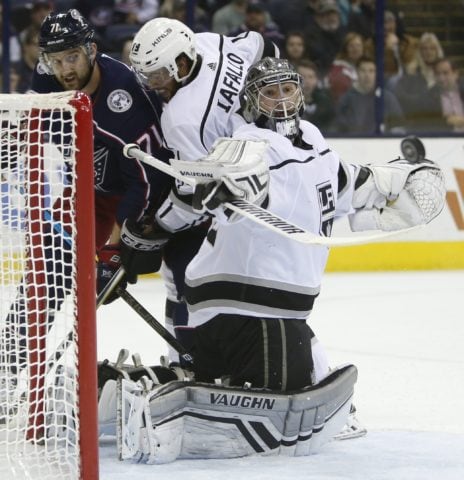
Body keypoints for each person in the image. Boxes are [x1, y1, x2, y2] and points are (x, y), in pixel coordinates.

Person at [115, 57, 445, 463]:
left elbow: (345, 184)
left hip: (254, 309)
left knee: (220, 374)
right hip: (251, 308)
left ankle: (130, 386)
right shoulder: (251, 141)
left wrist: (394, 182)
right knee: (281, 391)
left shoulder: (312, 139)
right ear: (253, 101)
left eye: (287, 89)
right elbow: (229, 171)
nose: (282, 100)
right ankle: (166, 408)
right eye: (270, 93)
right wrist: (225, 187)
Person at [0, 9, 172, 408]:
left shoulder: (123, 100)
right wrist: (13, 145)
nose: (64, 68)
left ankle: (192, 360)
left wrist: (114, 248)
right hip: (87, 193)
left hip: (143, 197)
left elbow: (145, 183)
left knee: (182, 274)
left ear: (92, 50)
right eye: (55, 59)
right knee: (44, 279)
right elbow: (36, 122)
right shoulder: (48, 77)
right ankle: (7, 372)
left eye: (72, 57)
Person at [124, 16, 281, 364]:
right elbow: (265, 46)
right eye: (146, 76)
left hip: (241, 197)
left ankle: (189, 362)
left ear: (181, 63)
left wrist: (159, 225)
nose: (153, 85)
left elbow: (192, 196)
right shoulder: (209, 42)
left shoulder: (181, 117)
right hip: (275, 162)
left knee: (187, 279)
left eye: (158, 75)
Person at [335, 56, 405, 134]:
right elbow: (339, 129)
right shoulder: (346, 100)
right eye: (363, 71)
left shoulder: (387, 98)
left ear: (376, 73)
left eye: (371, 71)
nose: (367, 75)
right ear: (357, 72)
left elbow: (398, 127)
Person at [297, 59, 335, 132]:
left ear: (316, 79)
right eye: (302, 77)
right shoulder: (288, 104)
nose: (307, 81)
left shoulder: (326, 102)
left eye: (310, 77)